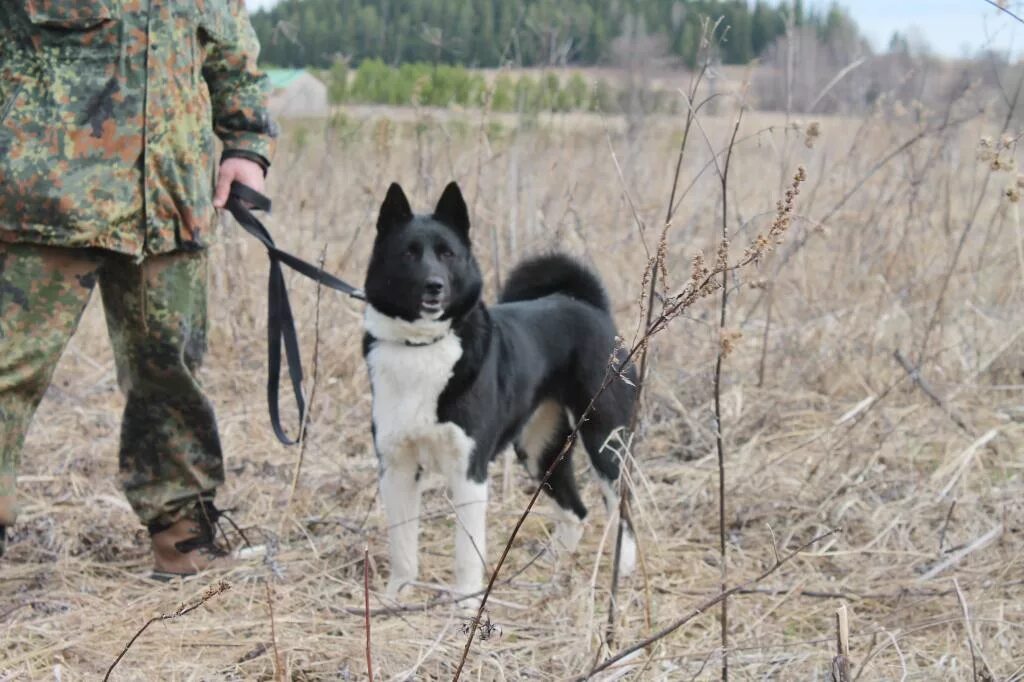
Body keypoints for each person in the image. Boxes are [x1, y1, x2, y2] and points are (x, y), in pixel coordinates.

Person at [0, 1, 276, 577]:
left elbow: (230, 45)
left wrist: (246, 147)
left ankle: (183, 544)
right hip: (43, 195)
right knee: (7, 370)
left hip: (167, 196)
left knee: (168, 374)